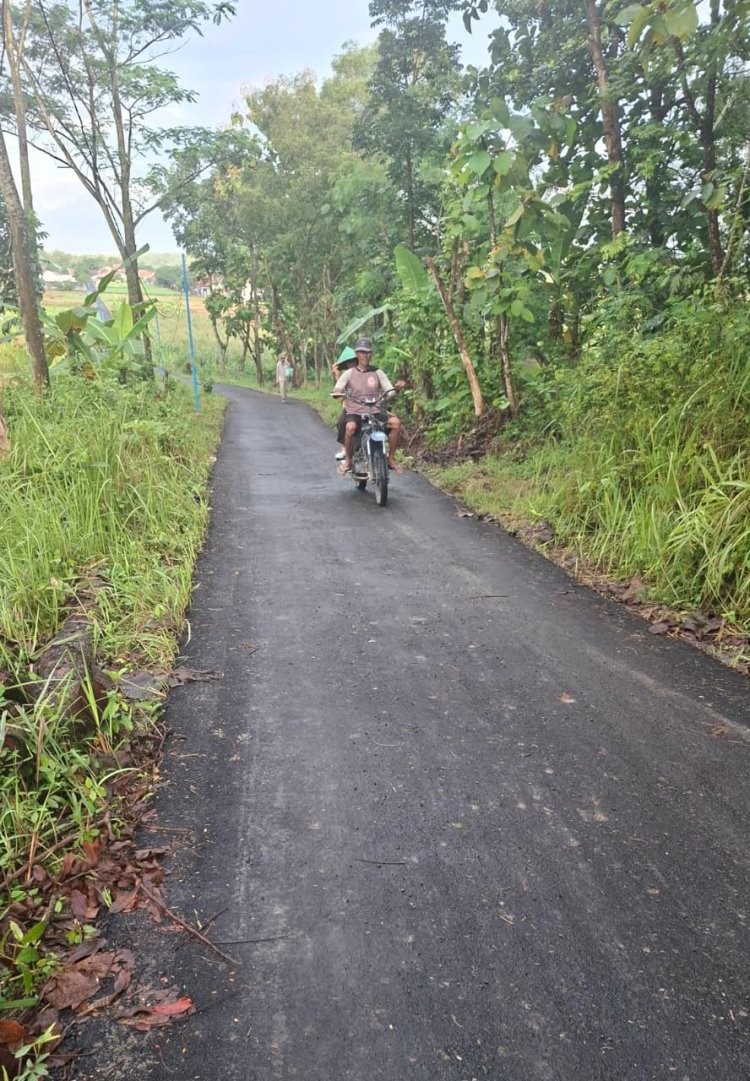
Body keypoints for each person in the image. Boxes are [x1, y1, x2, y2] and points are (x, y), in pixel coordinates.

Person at [332, 337, 405, 475]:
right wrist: (338, 391)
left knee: (395, 423)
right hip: (355, 412)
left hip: (375, 411)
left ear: (371, 354)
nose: (366, 355)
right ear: (357, 354)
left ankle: (390, 459)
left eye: (368, 352)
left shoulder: (377, 372)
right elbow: (339, 387)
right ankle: (348, 460)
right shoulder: (349, 373)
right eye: (362, 352)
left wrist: (397, 388)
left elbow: (390, 393)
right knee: (350, 427)